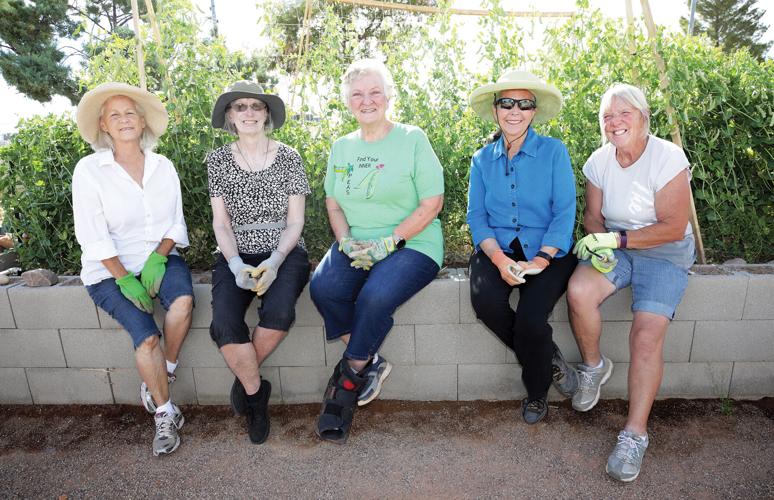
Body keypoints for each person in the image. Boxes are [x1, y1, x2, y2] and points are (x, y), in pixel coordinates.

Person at [309, 59, 444, 443]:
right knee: (323, 288)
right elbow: (334, 203)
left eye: (374, 92)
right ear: (347, 102)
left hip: (412, 242)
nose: (366, 100)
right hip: (356, 242)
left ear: (388, 96)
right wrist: (344, 240)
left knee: (375, 295)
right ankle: (372, 359)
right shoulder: (341, 147)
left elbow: (432, 203)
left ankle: (349, 378)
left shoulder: (412, 139)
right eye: (357, 94)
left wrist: (390, 242)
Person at [567, 83, 695, 482]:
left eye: (625, 113)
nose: (615, 122)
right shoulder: (599, 161)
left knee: (645, 335)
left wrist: (616, 240)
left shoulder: (667, 157)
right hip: (618, 247)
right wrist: (600, 244)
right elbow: (593, 217)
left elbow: (673, 226)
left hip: (664, 252)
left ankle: (634, 435)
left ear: (644, 117)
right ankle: (594, 366)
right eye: (608, 116)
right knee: (579, 291)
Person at [72, 82, 193, 456]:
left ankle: (165, 369)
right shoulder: (90, 171)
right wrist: (124, 277)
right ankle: (164, 412)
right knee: (147, 338)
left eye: (130, 113)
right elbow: (92, 235)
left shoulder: (162, 166)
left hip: (158, 257)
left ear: (142, 121)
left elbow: (176, 221)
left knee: (183, 304)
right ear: (103, 126)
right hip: (109, 271)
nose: (124, 120)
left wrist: (159, 256)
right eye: (114, 115)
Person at [467, 70, 579, 425]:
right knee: (485, 303)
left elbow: (565, 211)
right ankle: (548, 357)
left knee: (531, 321)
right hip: (497, 247)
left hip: (549, 250)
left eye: (524, 104)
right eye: (507, 103)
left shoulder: (554, 152)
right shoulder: (481, 160)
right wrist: (499, 260)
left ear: (534, 111)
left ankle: (536, 392)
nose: (515, 111)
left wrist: (542, 260)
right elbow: (477, 217)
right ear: (496, 110)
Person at [207, 81, 311, 444]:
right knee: (224, 324)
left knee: (279, 314)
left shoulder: (290, 157)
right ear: (230, 116)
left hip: (285, 249)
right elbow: (221, 223)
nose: (248, 112)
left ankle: (243, 379)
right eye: (240, 107)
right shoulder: (218, 160)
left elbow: (296, 221)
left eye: (256, 106)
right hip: (235, 251)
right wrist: (235, 263)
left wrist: (277, 260)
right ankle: (256, 395)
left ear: (267, 113)